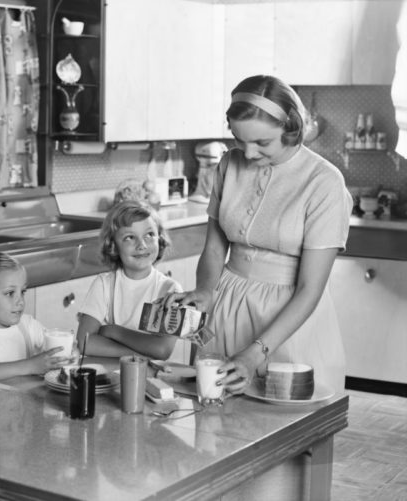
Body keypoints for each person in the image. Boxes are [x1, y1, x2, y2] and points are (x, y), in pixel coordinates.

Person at [162, 75, 353, 394]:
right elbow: (213, 248)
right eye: (239, 139)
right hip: (226, 302)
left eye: (262, 143)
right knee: (213, 407)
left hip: (287, 315)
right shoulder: (228, 164)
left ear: (291, 130)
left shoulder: (324, 183)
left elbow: (310, 287)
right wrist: (207, 290)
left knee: (283, 420)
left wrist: (257, 351)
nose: (248, 154)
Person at [76, 200, 183, 360]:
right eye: (130, 237)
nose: (142, 245)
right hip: (111, 375)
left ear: (159, 239)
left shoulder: (170, 291)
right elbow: (85, 342)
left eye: (149, 235)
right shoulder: (104, 285)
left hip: (152, 377)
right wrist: (139, 353)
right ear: (113, 245)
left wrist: (113, 331)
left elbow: (162, 349)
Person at [0, 252, 70, 386]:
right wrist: (31, 366)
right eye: (10, 293)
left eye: (23, 291)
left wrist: (68, 353)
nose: (20, 301)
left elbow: (54, 351)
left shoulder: (28, 325)